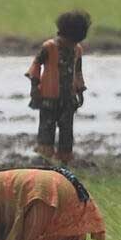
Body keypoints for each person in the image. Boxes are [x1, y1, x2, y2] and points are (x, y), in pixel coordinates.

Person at [27, 10, 90, 163]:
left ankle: (65, 157)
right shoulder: (49, 47)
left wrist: (80, 91)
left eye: (75, 42)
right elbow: (36, 65)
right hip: (49, 97)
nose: (71, 45)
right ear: (60, 33)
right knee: (46, 127)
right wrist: (35, 87)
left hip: (68, 98)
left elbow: (78, 71)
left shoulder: (77, 49)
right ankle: (44, 156)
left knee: (67, 129)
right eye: (70, 41)